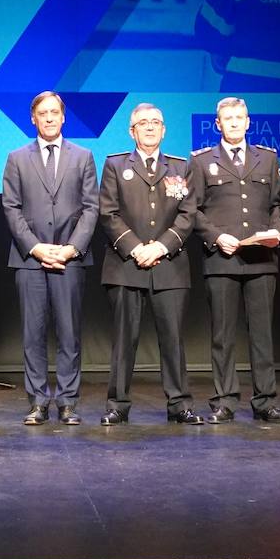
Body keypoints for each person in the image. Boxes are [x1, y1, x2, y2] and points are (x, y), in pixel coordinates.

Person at [97, 104, 204, 426]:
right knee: (124, 339)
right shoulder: (116, 165)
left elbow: (188, 214)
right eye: (142, 123)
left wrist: (161, 245)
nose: (149, 127)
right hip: (125, 265)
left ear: (164, 129)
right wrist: (135, 248)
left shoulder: (181, 166)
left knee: (172, 339)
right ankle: (117, 405)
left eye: (155, 122)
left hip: (169, 265)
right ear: (132, 131)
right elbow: (108, 213)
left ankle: (179, 405)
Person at [189, 96, 280, 424]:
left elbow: (278, 205)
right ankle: (224, 400)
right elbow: (193, 211)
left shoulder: (268, 158)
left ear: (248, 122)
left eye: (239, 118)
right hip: (222, 258)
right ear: (217, 124)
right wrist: (216, 237)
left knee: (262, 334)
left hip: (261, 258)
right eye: (227, 118)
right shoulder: (202, 161)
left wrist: (276, 231)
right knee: (223, 334)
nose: (233, 123)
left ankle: (265, 401)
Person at [2, 91, 99, 425]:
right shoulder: (16, 157)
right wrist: (36, 247)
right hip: (30, 259)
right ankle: (38, 402)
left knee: (70, 334)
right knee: (33, 334)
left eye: (54, 112)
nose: (49, 118)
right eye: (42, 113)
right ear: (33, 118)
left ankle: (68, 402)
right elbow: (11, 208)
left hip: (70, 259)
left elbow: (91, 208)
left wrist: (71, 248)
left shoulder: (83, 156)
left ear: (63, 116)